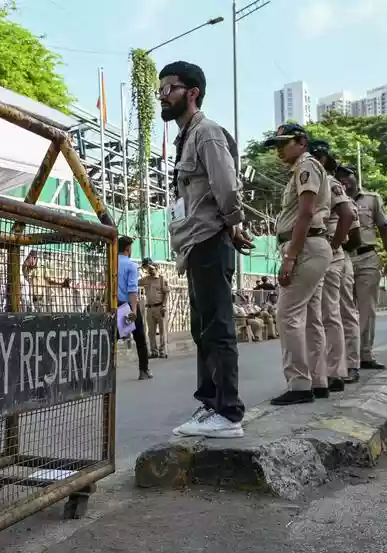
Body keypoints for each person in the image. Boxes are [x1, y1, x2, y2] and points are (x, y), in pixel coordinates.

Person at [154, 60, 247, 438]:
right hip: (195, 244)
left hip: (210, 239)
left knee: (217, 328)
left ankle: (228, 411)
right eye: (160, 89)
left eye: (169, 88)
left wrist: (233, 221)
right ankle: (211, 405)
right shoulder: (186, 138)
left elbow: (226, 186)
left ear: (192, 93)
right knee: (203, 330)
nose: (163, 96)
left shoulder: (206, 133)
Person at [263, 123, 332, 406]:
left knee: (287, 314)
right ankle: (318, 381)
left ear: (302, 141)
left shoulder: (306, 166)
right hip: (311, 247)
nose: (279, 150)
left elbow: (305, 213)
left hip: (304, 248)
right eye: (276, 145)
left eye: (284, 143)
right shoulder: (301, 169)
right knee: (311, 319)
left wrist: (290, 256)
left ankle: (299, 384)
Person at [307, 140, 360, 392]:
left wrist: (334, 243)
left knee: (329, 313)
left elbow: (348, 214)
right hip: (319, 251)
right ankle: (327, 372)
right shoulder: (314, 180)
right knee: (321, 314)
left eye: (318, 155)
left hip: (328, 252)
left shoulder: (328, 181)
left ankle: (335, 371)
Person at [336, 164, 387, 371]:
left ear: (356, 177)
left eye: (347, 175)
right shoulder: (332, 197)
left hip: (367, 257)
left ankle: (365, 354)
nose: (343, 179)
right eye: (339, 176)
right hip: (341, 256)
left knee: (366, 309)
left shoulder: (372, 199)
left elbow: (385, 229)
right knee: (342, 309)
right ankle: (347, 356)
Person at [116, 236, 151, 380]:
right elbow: (132, 290)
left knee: (114, 336)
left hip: (114, 305)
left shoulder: (111, 263)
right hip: (127, 305)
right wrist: (134, 311)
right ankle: (143, 370)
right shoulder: (131, 266)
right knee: (140, 338)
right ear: (127, 249)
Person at [139, 259, 170, 358]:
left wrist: (164, 305)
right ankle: (154, 351)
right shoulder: (146, 279)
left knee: (162, 331)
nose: (150, 271)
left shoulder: (162, 279)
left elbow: (166, 293)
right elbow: (135, 282)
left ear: (156, 269)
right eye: (148, 269)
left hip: (160, 307)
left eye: (152, 269)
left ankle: (163, 351)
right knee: (151, 332)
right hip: (150, 307)